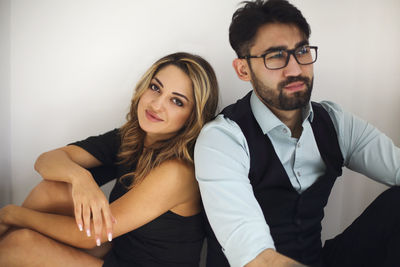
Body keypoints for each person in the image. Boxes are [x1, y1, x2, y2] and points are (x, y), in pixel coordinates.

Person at [194, 1, 400, 267]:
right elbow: (255, 258)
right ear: (243, 70)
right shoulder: (223, 139)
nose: (295, 69)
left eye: (301, 50)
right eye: (276, 55)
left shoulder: (335, 123)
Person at [0, 52, 219, 267]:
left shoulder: (178, 171)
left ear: (193, 117)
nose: (156, 104)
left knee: (21, 243)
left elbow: (91, 235)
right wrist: (80, 178)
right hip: (118, 252)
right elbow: (47, 160)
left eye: (176, 101)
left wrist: (14, 215)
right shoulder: (134, 137)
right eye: (155, 88)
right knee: (54, 189)